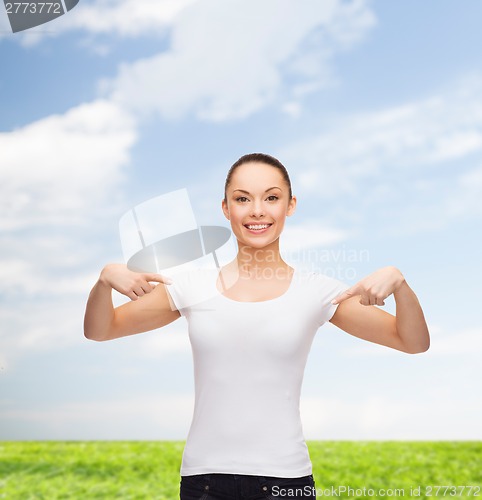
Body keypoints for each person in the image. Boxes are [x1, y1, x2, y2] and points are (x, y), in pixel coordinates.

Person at [84, 153, 430, 500]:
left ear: (290, 205)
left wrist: (400, 284)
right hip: (204, 480)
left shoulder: (316, 291)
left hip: (285, 481)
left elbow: (412, 341)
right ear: (225, 208)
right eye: (242, 199)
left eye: (272, 197)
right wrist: (104, 280)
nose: (257, 211)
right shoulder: (191, 287)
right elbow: (101, 329)